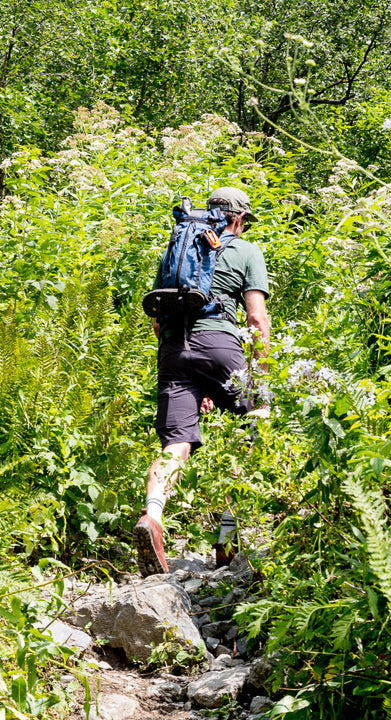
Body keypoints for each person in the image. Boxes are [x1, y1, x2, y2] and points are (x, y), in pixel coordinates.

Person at [133, 186, 271, 577]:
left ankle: (154, 517)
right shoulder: (246, 251)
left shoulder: (175, 250)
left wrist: (196, 378)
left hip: (174, 348)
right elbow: (256, 319)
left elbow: (158, 319)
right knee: (256, 421)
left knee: (175, 442)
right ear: (238, 218)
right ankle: (227, 535)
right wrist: (259, 374)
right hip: (222, 344)